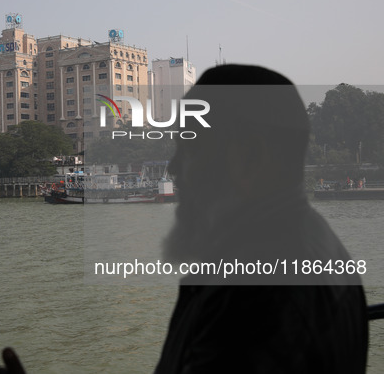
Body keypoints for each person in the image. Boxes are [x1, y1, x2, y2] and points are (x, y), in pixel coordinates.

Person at [157, 65, 368, 373]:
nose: (173, 168)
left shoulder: (250, 297)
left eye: (189, 148)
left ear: (250, 155)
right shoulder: (318, 244)